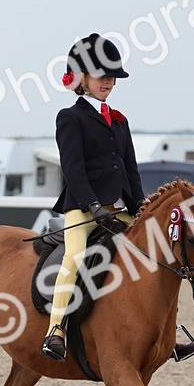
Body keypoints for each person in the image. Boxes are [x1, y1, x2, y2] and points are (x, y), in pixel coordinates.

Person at [41, 34, 143, 360]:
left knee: (154, 250)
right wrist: (93, 206)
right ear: (82, 78)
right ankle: (55, 330)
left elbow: (131, 169)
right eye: (102, 75)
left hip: (120, 206)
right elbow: (73, 170)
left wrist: (141, 207)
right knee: (73, 258)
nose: (108, 82)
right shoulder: (70, 118)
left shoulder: (120, 120)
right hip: (84, 208)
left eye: (112, 77)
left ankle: (166, 329)